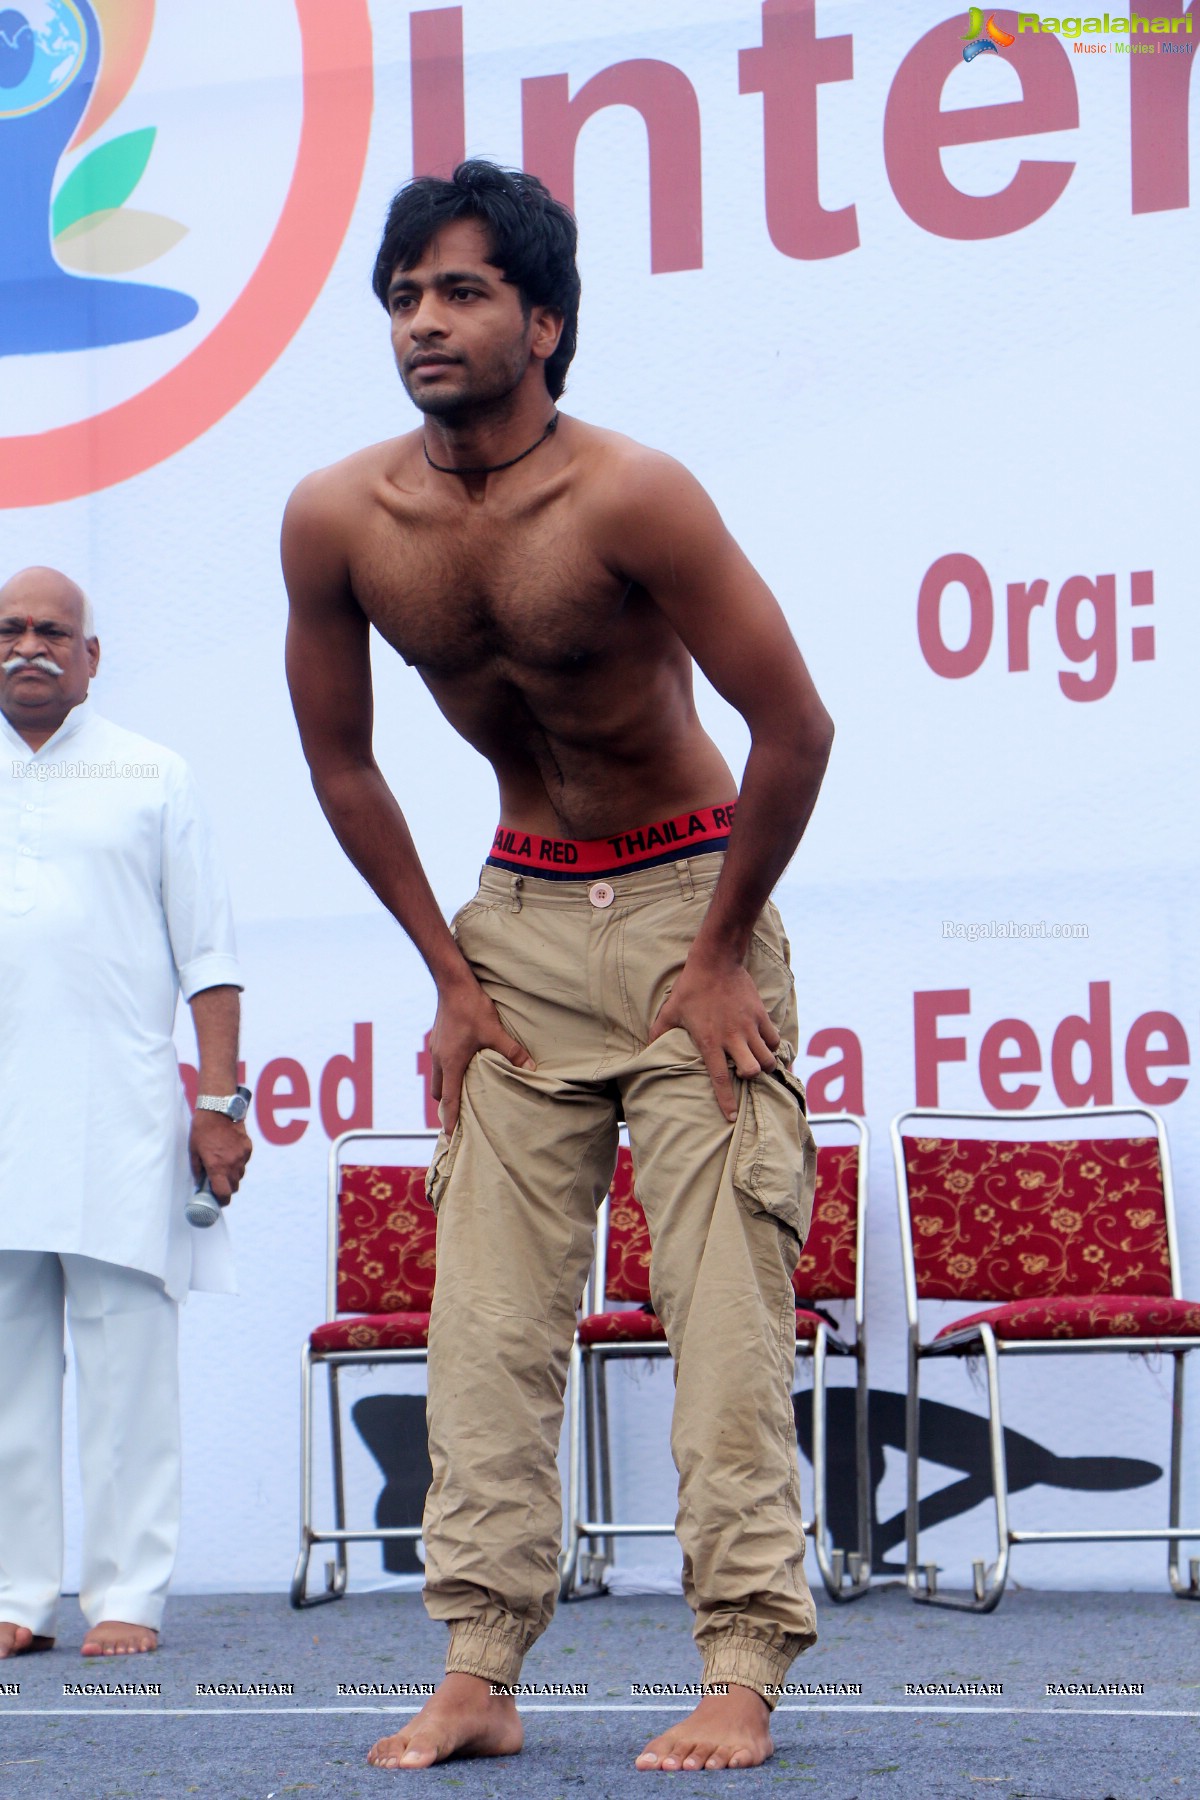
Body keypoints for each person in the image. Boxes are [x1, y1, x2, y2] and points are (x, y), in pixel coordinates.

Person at [283, 160, 834, 1774]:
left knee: (721, 1300)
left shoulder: (630, 498)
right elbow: (342, 766)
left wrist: (726, 950)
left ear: (544, 320)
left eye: (459, 293)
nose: (424, 323)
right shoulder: (340, 518)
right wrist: (447, 976)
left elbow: (793, 726)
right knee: (487, 1321)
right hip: (516, 925)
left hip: (684, 911)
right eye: (402, 297)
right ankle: (479, 1669)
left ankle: (740, 1662)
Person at [0, 567, 252, 1660]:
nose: (29, 646)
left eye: (54, 630)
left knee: (126, 1367)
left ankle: (128, 1596)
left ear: (91, 657)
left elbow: (209, 957)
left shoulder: (151, 773)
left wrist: (220, 1103)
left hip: (122, 1117)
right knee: (5, 1374)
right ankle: (16, 1594)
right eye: (8, 629)